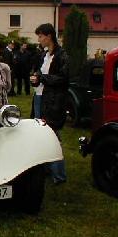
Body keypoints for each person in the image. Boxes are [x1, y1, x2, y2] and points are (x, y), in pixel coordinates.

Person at [30, 23, 69, 184]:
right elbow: (40, 75)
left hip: (53, 102)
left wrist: (42, 78)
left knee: (52, 136)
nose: (39, 40)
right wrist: (34, 79)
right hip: (39, 98)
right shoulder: (43, 55)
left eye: (40, 36)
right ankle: (46, 169)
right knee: (40, 135)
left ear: (49, 36)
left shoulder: (62, 55)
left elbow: (63, 78)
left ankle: (59, 175)